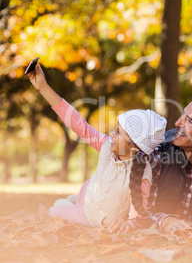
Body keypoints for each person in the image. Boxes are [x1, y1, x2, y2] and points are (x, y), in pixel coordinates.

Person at [27, 64, 167, 228]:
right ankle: (74, 200)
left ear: (135, 147)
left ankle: (69, 203)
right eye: (115, 129)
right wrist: (43, 87)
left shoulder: (142, 174)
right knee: (58, 209)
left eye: (118, 132)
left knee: (55, 210)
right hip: (87, 202)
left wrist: (130, 225)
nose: (112, 134)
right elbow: (77, 123)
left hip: (88, 216)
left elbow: (138, 213)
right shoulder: (107, 146)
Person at [109, 90, 192, 233]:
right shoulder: (158, 150)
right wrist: (165, 220)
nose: (177, 123)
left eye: (189, 121)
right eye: (182, 115)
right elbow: (144, 208)